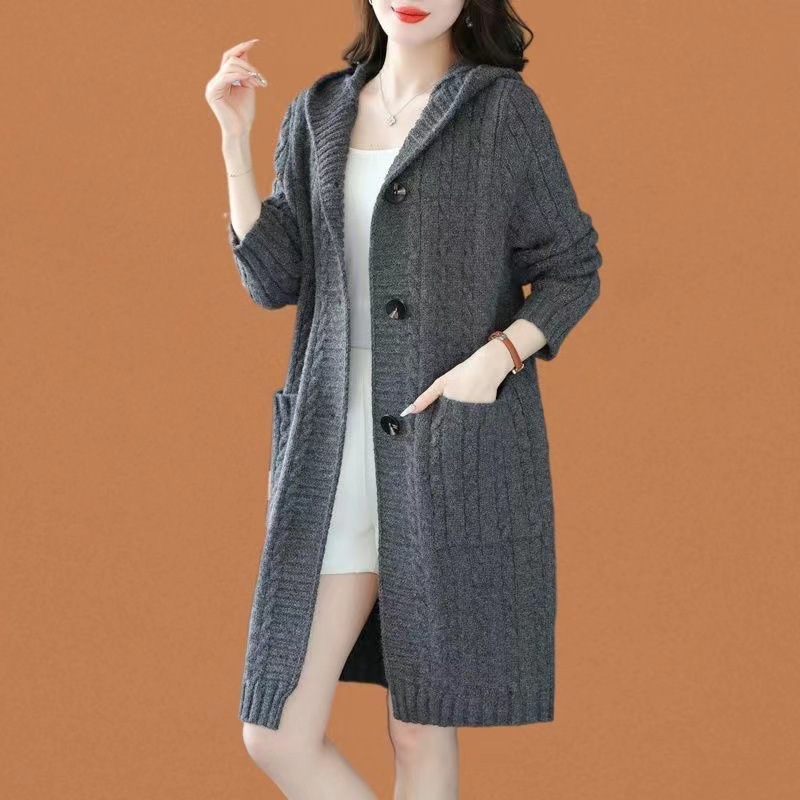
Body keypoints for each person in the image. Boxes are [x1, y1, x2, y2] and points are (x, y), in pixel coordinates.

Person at [205, 2, 602, 797]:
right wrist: (234, 140)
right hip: (332, 444)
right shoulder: (318, 110)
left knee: (420, 726)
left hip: (444, 440)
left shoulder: (499, 111)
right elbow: (274, 278)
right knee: (276, 732)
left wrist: (495, 361)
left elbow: (572, 267)